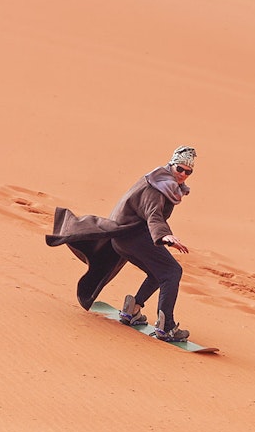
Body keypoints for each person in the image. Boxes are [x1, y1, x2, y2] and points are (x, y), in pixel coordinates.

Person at [45, 146, 197, 342]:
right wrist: (164, 236)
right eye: (180, 169)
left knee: (157, 273)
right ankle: (166, 328)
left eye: (188, 171)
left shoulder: (158, 180)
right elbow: (153, 214)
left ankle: (131, 310)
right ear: (171, 165)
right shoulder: (159, 187)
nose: (183, 174)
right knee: (172, 271)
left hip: (123, 238)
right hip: (133, 236)